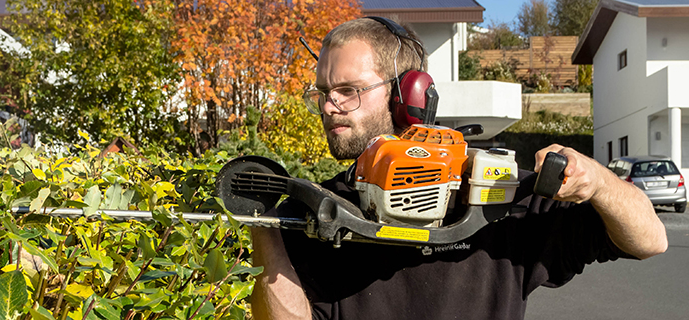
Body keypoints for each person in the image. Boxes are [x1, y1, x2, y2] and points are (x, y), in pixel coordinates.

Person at [249, 17, 668, 320]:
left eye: (348, 90)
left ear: (408, 93)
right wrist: (263, 223)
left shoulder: (499, 195)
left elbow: (649, 240)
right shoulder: (324, 209)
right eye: (322, 92)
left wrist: (597, 181)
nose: (328, 106)